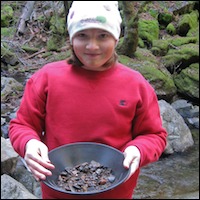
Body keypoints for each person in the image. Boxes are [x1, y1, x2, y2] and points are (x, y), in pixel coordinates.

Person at [9, 1, 167, 199]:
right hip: (58, 191)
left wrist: (138, 149)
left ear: (116, 38)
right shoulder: (47, 78)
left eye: (103, 35)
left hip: (116, 192)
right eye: (82, 35)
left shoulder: (135, 84)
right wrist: (29, 144)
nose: (93, 46)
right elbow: (21, 125)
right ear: (71, 38)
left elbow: (154, 136)